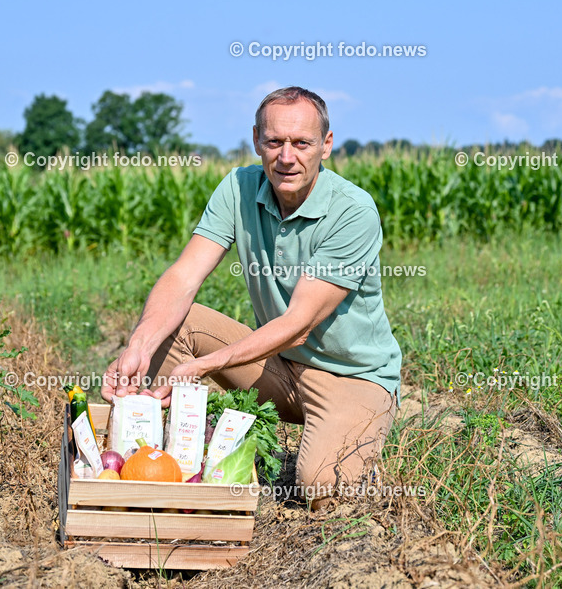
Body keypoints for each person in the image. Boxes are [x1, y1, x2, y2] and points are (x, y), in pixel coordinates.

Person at [102, 86, 401, 509]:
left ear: (326, 146)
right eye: (275, 141)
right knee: (178, 323)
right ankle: (151, 465)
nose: (286, 156)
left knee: (320, 489)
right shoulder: (239, 188)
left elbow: (299, 324)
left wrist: (206, 365)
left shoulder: (353, 211)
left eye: (302, 143)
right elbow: (184, 276)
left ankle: (351, 434)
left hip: (351, 377)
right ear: (257, 140)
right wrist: (138, 346)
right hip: (280, 368)